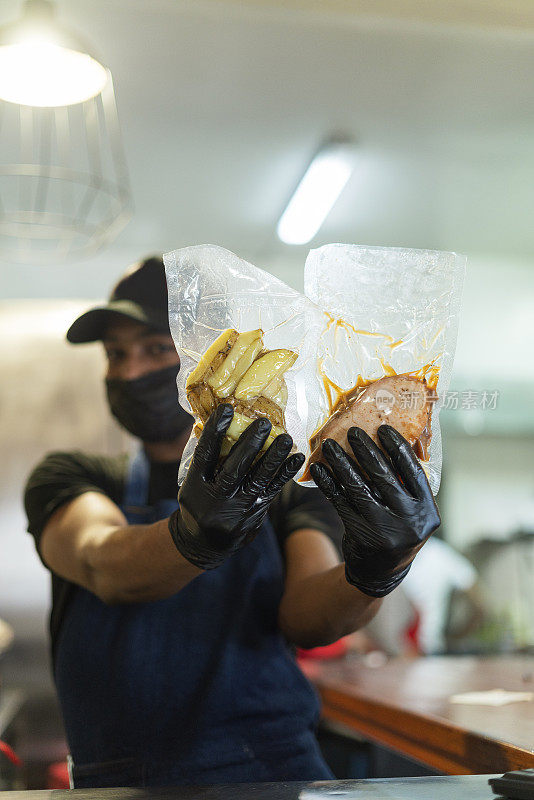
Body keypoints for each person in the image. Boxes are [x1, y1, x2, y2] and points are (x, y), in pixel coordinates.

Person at [24, 256, 440, 788]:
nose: (129, 372)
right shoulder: (74, 476)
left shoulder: (284, 483)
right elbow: (102, 560)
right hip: (122, 785)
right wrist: (190, 537)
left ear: (210, 354)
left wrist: (378, 569)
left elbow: (309, 618)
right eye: (115, 355)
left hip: (272, 772)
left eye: (155, 349)